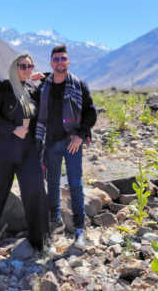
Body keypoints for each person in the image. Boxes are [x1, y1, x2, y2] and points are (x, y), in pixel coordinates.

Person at [0, 53, 54, 255]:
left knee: (36, 190)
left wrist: (42, 77)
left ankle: (42, 241)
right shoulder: (3, 86)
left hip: (27, 150)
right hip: (2, 148)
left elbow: (56, 86)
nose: (26, 69)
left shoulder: (34, 89)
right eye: (23, 66)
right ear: (14, 67)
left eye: (30, 66)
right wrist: (12, 129)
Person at [33, 45, 97, 249]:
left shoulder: (79, 85)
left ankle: (79, 230)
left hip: (71, 143)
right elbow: (32, 109)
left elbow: (91, 112)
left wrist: (81, 135)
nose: (60, 62)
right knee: (52, 184)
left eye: (63, 59)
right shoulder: (43, 85)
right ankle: (54, 223)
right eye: (56, 59)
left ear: (68, 62)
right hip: (49, 143)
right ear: (51, 63)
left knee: (75, 185)